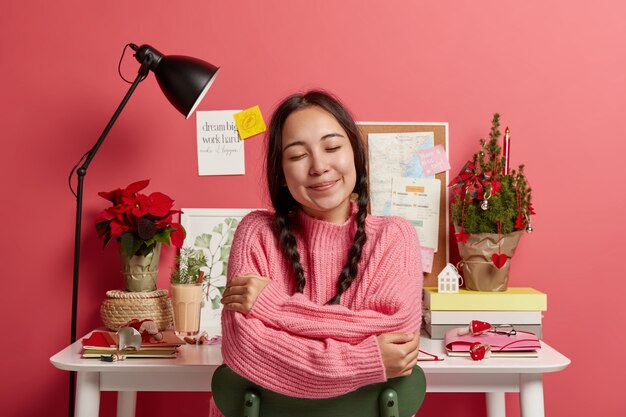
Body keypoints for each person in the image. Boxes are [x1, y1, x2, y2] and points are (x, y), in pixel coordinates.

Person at [208, 90, 423, 416]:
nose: (319, 166)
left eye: (333, 147)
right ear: (280, 174)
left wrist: (273, 308)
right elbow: (244, 348)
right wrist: (366, 358)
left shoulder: (395, 236)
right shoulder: (257, 233)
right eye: (297, 156)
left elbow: (399, 336)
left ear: (356, 155)